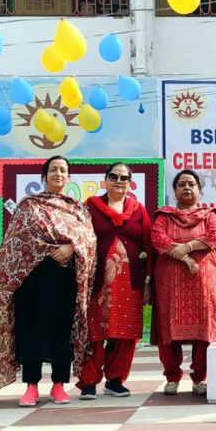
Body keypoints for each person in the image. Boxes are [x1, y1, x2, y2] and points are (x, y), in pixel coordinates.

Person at [0, 156, 96, 406]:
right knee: (29, 331)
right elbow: (17, 241)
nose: (58, 173)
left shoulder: (78, 209)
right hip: (31, 279)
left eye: (63, 170)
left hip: (64, 280)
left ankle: (58, 385)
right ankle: (31, 386)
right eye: (53, 169)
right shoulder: (29, 205)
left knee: (61, 332)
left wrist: (70, 246)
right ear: (44, 176)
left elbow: (88, 240)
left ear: (68, 177)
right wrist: (46, 248)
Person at [76, 163, 153, 400]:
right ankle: (88, 381)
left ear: (130, 183)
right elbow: (80, 237)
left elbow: (148, 245)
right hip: (99, 281)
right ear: (105, 180)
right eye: (114, 176)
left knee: (126, 333)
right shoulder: (91, 206)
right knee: (96, 331)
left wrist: (148, 280)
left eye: (124, 178)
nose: (118, 181)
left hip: (130, 282)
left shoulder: (138, 210)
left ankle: (115, 380)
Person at [151, 170, 216, 395]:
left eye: (192, 184)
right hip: (170, 281)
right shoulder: (164, 216)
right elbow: (158, 239)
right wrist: (186, 258)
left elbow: (214, 237)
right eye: (182, 184)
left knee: (205, 327)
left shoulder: (209, 215)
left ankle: (199, 378)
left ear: (199, 190)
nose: (187, 188)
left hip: (204, 281)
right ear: (174, 191)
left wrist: (185, 247)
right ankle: (172, 376)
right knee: (168, 327)